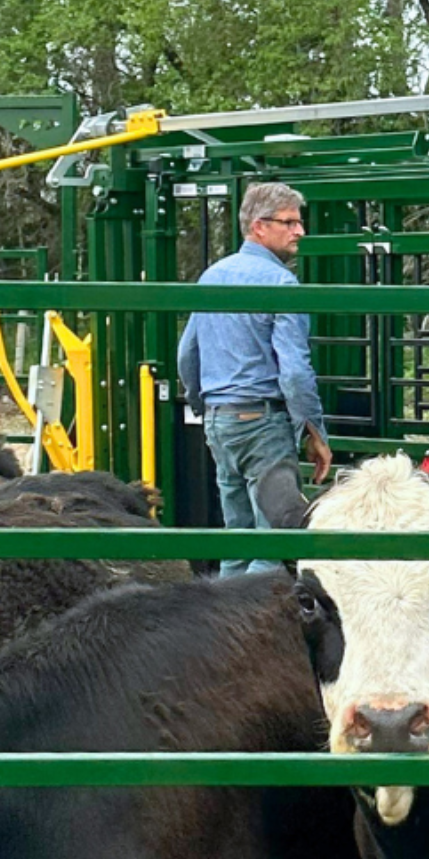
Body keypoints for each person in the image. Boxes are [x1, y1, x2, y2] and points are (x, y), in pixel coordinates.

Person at [176, 181, 332, 575]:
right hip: (263, 423)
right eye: (290, 223)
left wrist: (206, 407)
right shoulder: (280, 283)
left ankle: (222, 631)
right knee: (271, 547)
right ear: (259, 227)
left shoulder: (212, 276)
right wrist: (313, 430)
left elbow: (186, 355)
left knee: (237, 540)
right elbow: (295, 373)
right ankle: (258, 633)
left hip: (220, 421)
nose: (300, 231)